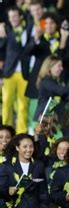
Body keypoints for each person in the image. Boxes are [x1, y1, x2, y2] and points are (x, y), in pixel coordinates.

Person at [0, 134, 49, 208]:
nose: (28, 150)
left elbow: (43, 194)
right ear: (17, 148)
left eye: (31, 146)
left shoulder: (38, 166)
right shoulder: (6, 166)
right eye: (25, 146)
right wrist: (7, 191)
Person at [1, 6, 32, 134]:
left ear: (20, 16)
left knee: (23, 105)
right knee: (7, 102)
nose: (13, 19)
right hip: (9, 73)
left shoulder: (28, 28)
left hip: (25, 73)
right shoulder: (5, 30)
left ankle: (21, 133)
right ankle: (5, 131)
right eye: (10, 17)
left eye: (15, 16)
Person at [34, 55, 69, 121]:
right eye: (59, 66)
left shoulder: (56, 81)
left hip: (54, 117)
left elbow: (64, 96)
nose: (62, 68)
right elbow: (62, 91)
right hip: (44, 118)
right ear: (50, 67)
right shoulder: (46, 81)